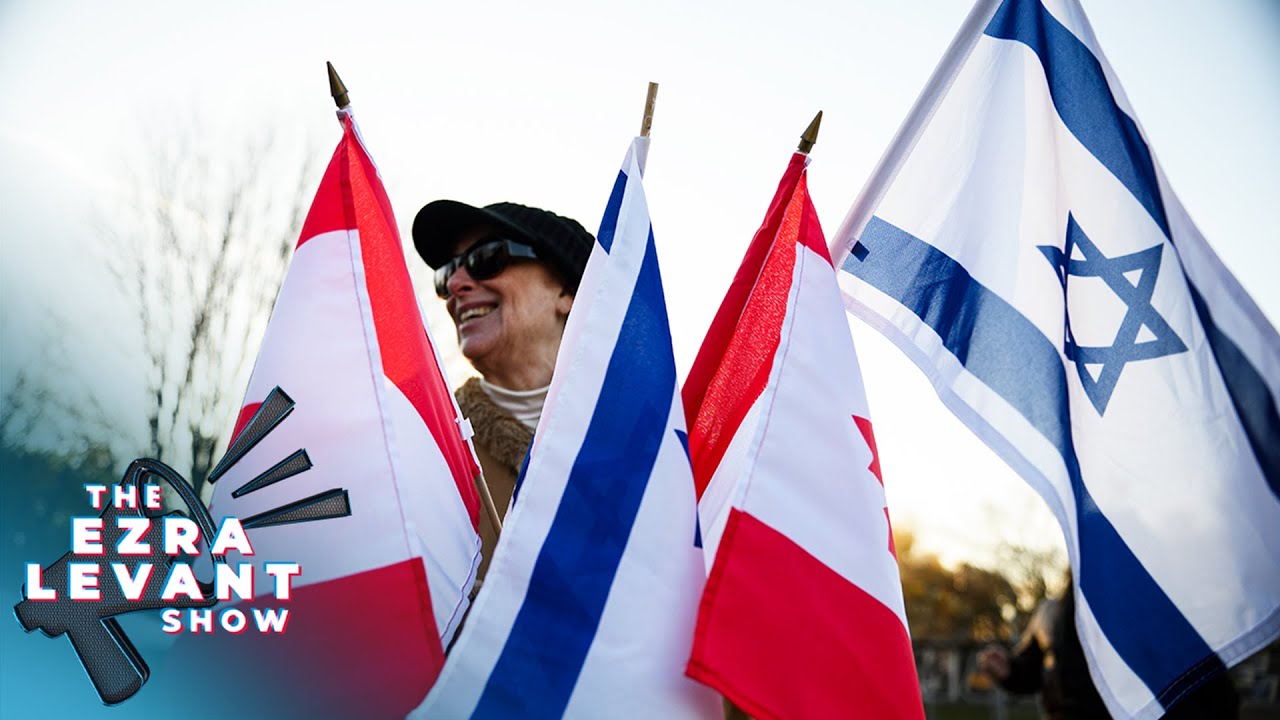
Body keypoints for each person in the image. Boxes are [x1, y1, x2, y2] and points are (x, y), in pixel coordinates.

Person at [412, 200, 594, 581]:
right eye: (445, 275)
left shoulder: (657, 443)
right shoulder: (426, 446)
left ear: (568, 291)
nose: (456, 287)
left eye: (488, 258)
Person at [978, 578, 1240, 719]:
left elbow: (1210, 692)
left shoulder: (1156, 605)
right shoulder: (1051, 611)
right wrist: (1009, 669)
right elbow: (1035, 668)